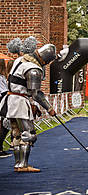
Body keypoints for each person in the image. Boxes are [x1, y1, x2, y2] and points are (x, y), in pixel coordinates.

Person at [0, 44, 69, 172]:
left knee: (16, 134)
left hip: (11, 101)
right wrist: (49, 108)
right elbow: (36, 93)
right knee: (29, 134)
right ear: (46, 60)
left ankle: (18, 164)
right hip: (19, 102)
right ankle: (23, 165)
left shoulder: (19, 60)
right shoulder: (34, 69)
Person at [0, 59, 12, 158]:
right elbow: (4, 91)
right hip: (3, 103)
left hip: (4, 101)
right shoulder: (1, 78)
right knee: (4, 125)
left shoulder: (3, 77)